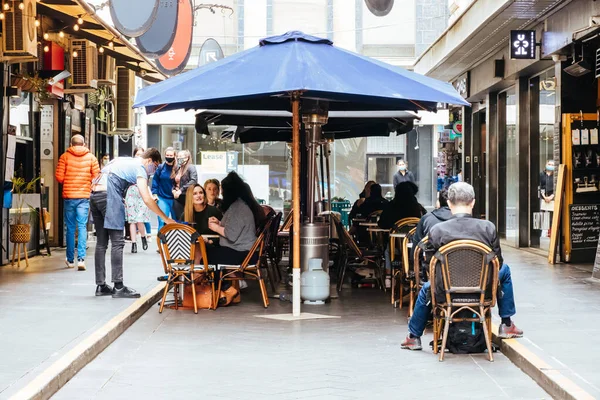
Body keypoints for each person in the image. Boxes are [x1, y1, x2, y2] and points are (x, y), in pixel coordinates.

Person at [401, 182, 523, 351]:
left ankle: (414, 337)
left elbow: (431, 266)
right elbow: (498, 263)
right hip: (482, 290)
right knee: (506, 270)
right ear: (472, 202)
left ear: (449, 203)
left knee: (426, 290)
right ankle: (507, 324)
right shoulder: (488, 228)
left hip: (446, 291)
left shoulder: (437, 230)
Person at [90, 148, 175, 298]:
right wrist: (166, 218)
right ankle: (118, 286)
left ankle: (101, 285)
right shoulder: (140, 168)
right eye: (154, 167)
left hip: (95, 195)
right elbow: (147, 199)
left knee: (101, 243)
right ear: (149, 161)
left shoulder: (120, 160)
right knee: (117, 242)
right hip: (109, 195)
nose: (152, 172)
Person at [207, 172, 266, 306]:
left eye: (222, 190)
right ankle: (225, 290)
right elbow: (234, 226)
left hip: (242, 253)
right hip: (244, 250)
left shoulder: (238, 208)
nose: (221, 193)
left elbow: (231, 235)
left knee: (208, 256)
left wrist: (215, 227)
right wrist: (220, 223)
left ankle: (226, 289)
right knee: (211, 253)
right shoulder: (240, 205)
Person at [55, 134, 100, 270]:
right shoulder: (91, 158)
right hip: (84, 197)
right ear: (84, 144)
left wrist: (70, 180)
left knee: (69, 228)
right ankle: (81, 259)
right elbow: (97, 177)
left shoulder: (64, 157)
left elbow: (59, 177)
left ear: (71, 144)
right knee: (81, 227)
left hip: (69, 196)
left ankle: (70, 260)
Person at [125, 147, 151, 253]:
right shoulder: (130, 166)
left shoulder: (146, 166)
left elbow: (147, 180)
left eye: (141, 154)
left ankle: (143, 237)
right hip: (131, 192)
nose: (139, 156)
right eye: (137, 154)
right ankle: (133, 243)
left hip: (142, 191)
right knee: (132, 220)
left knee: (140, 219)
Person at [152, 147, 176, 231]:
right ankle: (161, 243)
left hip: (175, 199)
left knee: (176, 222)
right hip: (162, 198)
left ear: (174, 156)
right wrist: (154, 193)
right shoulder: (161, 167)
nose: (169, 157)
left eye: (171, 155)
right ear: (165, 155)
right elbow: (155, 181)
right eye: (167, 155)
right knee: (162, 221)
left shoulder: (177, 168)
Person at [171, 150, 198, 218]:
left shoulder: (191, 167)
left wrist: (181, 190)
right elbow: (173, 181)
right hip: (177, 197)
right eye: (177, 156)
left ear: (186, 158)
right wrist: (173, 190)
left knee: (187, 217)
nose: (178, 158)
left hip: (186, 196)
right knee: (178, 217)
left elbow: (194, 180)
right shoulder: (177, 168)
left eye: (180, 156)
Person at [539, 160, 555, 237]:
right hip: (543, 197)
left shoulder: (555, 175)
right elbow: (540, 186)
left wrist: (552, 196)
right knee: (541, 215)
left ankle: (550, 232)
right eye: (549, 164)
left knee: (552, 217)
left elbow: (556, 187)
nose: (550, 165)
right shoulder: (542, 174)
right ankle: (539, 233)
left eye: (552, 164)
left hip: (552, 198)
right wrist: (544, 196)